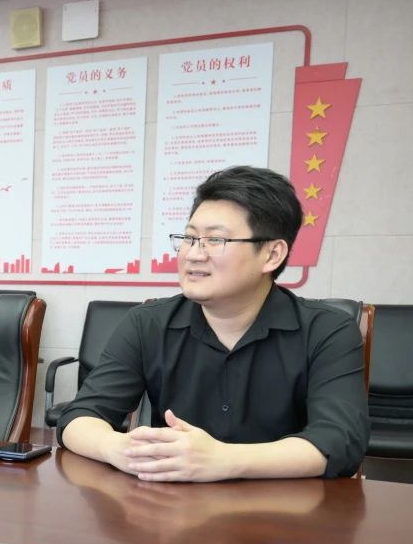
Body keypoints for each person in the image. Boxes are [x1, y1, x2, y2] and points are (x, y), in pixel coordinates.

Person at [58, 165, 369, 481]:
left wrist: (225, 460)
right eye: (189, 238)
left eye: (215, 239)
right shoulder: (147, 324)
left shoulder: (327, 331)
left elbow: (340, 441)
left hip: (285, 505)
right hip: (172, 504)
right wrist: (118, 448)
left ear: (272, 255)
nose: (194, 254)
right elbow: (79, 416)